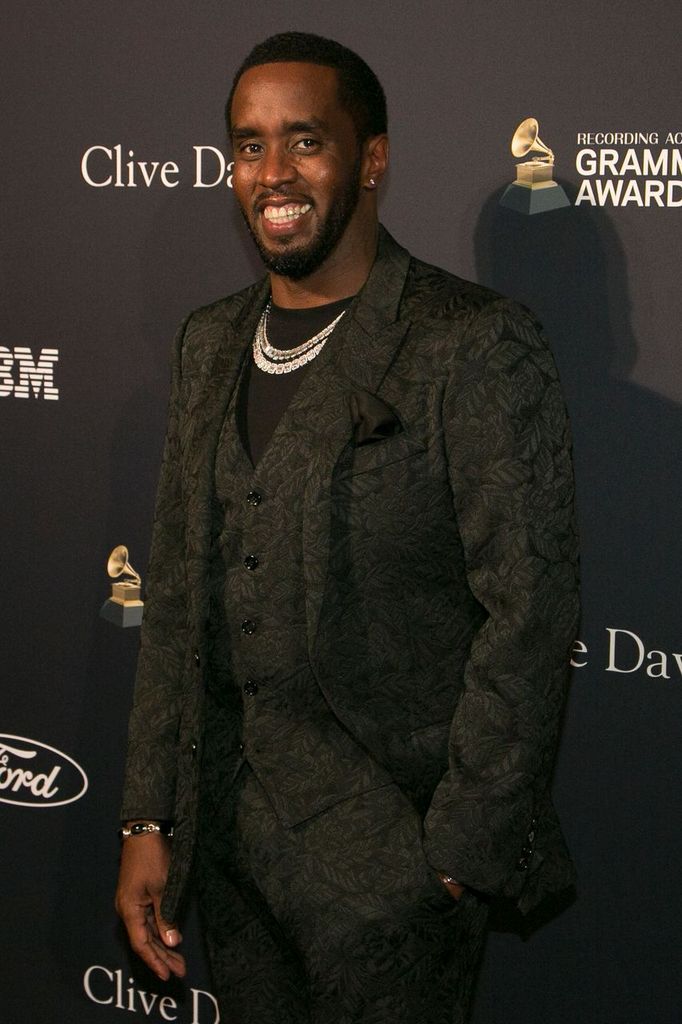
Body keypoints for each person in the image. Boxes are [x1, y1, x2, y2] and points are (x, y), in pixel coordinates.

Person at [115, 31, 580, 1024]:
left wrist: (454, 853)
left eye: (303, 141)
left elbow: (529, 610)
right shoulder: (209, 343)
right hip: (237, 847)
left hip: (392, 863)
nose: (271, 173)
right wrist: (151, 814)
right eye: (248, 145)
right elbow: (178, 593)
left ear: (370, 158)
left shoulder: (469, 342)